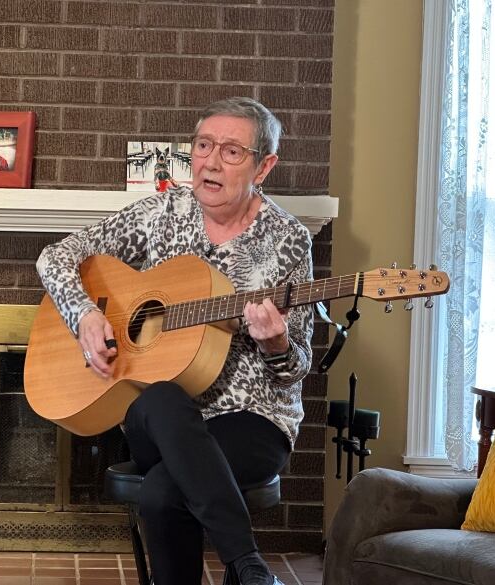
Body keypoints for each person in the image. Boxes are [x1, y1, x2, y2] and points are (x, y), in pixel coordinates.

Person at [36, 97, 313, 585]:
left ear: (264, 166)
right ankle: (247, 564)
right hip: (156, 419)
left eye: (231, 151)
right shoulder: (160, 212)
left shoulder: (288, 239)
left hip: (253, 420)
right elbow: (55, 256)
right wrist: (83, 314)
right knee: (163, 394)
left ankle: (243, 567)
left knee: (162, 493)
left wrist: (276, 344)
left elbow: (297, 367)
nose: (209, 161)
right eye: (204, 145)